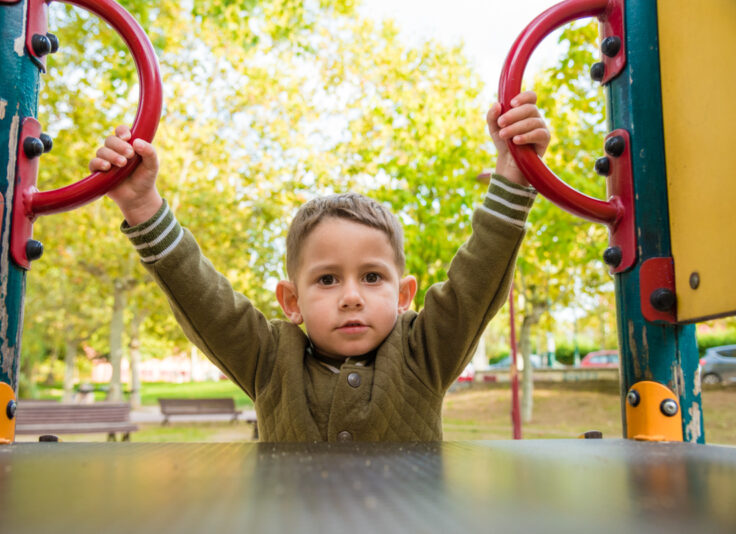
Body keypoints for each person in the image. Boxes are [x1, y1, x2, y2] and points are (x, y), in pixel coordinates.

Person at [90, 91, 550, 442]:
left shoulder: (424, 353)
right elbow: (203, 297)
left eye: (372, 277)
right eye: (327, 279)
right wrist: (143, 205)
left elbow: (477, 279)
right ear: (292, 301)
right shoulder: (269, 361)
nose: (351, 295)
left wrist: (513, 175)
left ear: (404, 295)